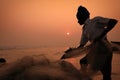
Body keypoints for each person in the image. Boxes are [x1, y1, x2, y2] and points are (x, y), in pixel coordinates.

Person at [76, 5, 118, 80]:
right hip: (96, 50)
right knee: (83, 62)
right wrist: (71, 51)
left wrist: (101, 36)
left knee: (106, 75)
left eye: (78, 18)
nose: (77, 21)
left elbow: (113, 21)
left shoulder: (95, 20)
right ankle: (85, 78)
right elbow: (81, 45)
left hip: (105, 49)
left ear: (82, 16)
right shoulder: (84, 29)